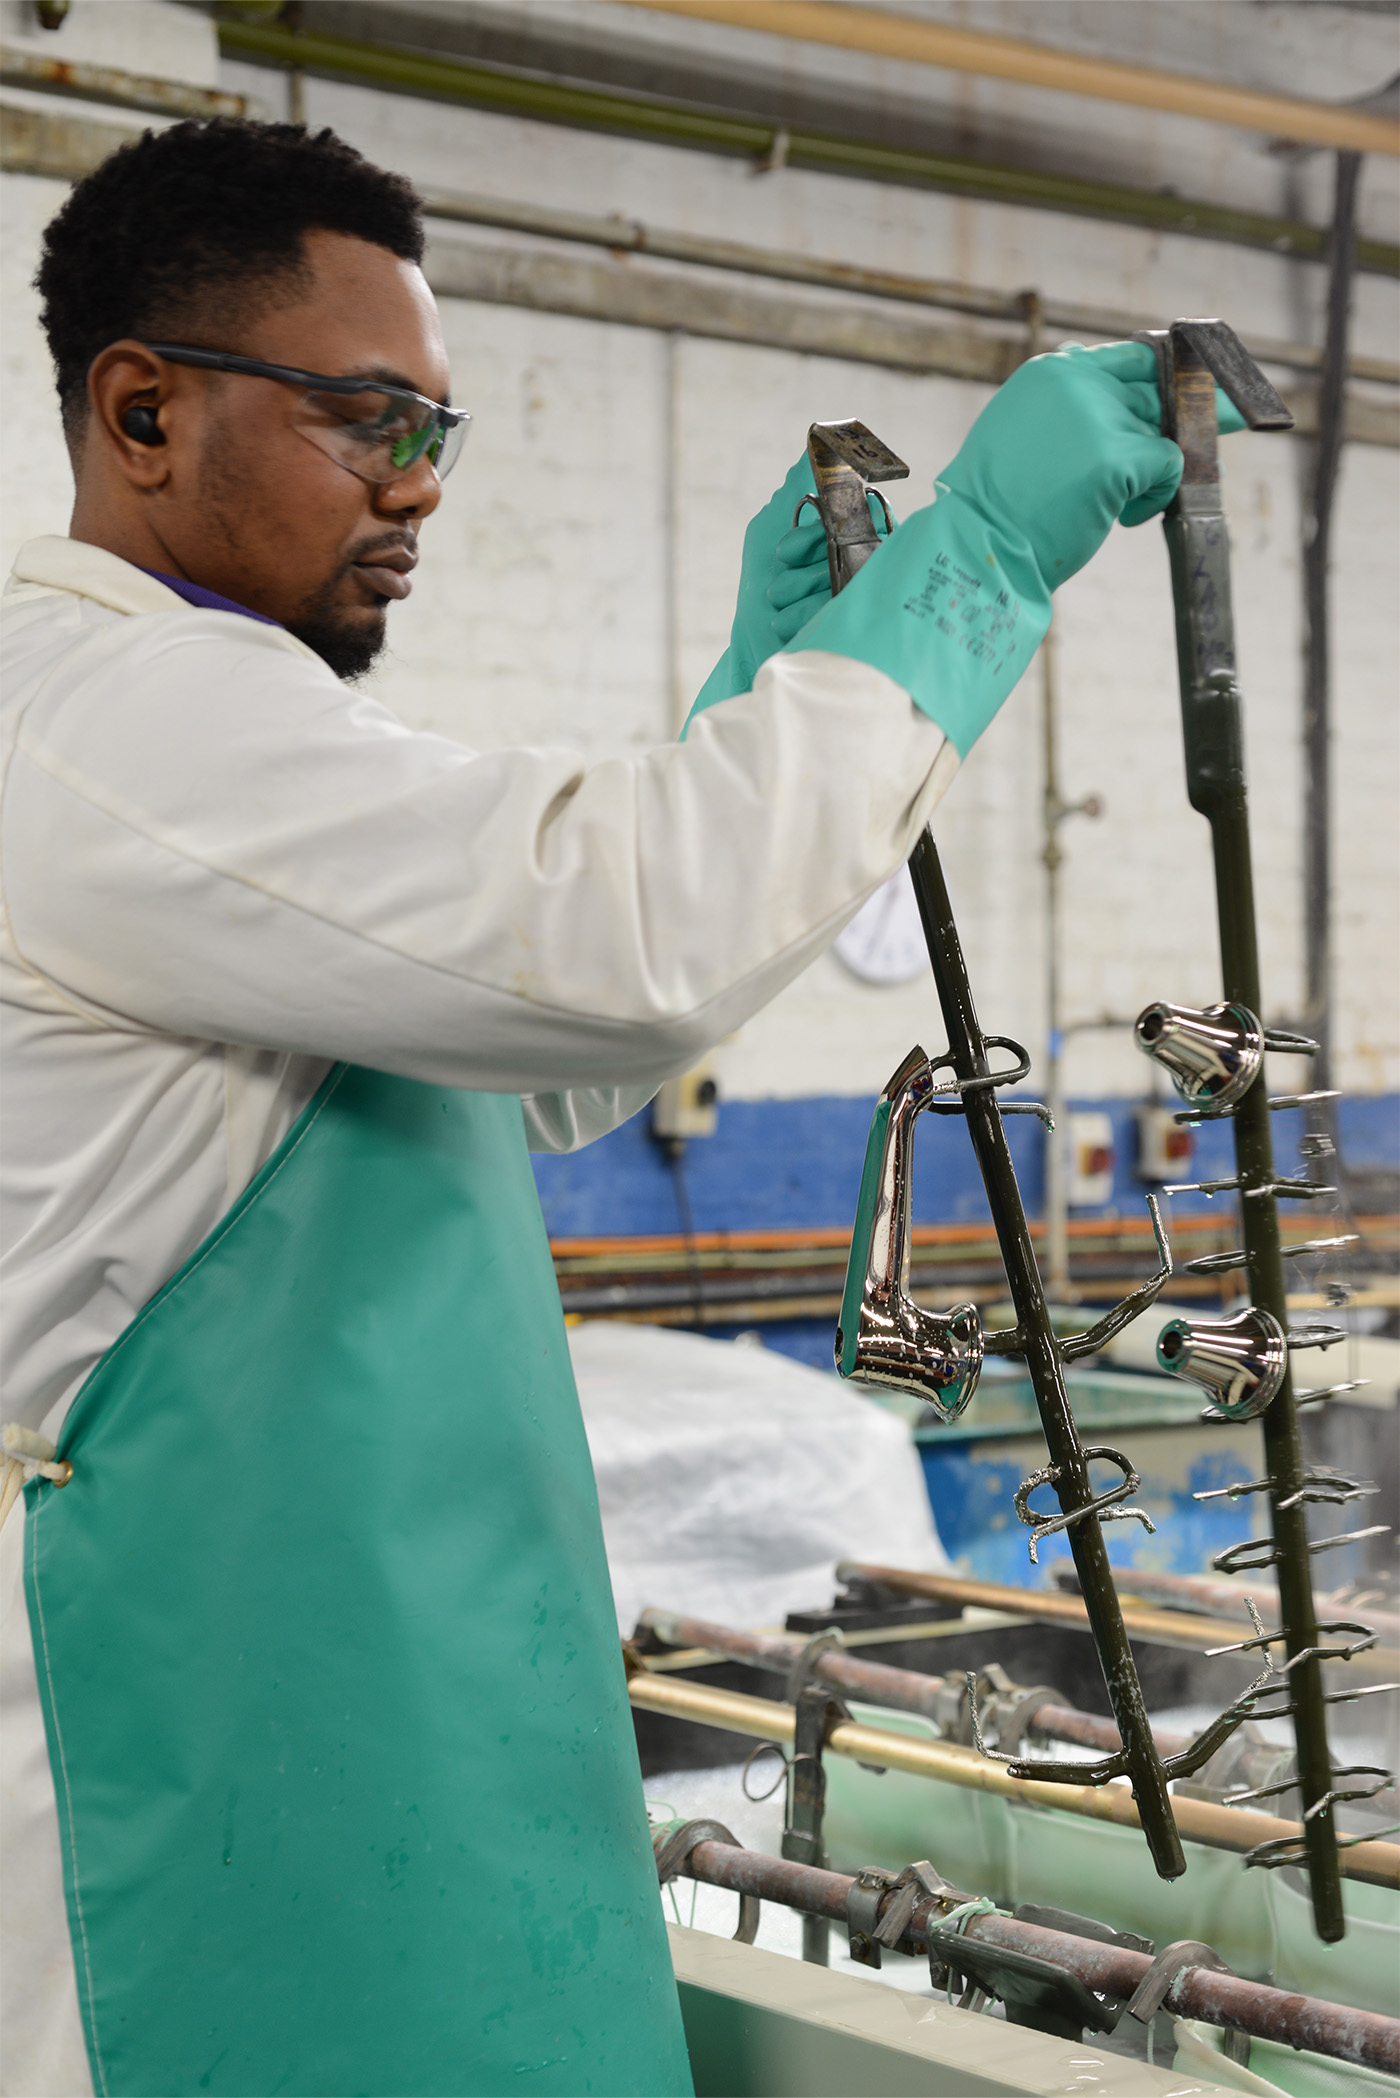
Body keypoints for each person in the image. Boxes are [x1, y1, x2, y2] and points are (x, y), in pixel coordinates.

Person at [0, 117, 1214, 2098]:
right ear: (143, 409)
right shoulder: (107, 720)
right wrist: (978, 563)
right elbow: (606, 933)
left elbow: (551, 1044)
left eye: (440, 434)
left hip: (363, 1725)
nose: (414, 487)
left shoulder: (232, 725)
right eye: (366, 416)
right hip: (201, 1757)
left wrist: (758, 690)